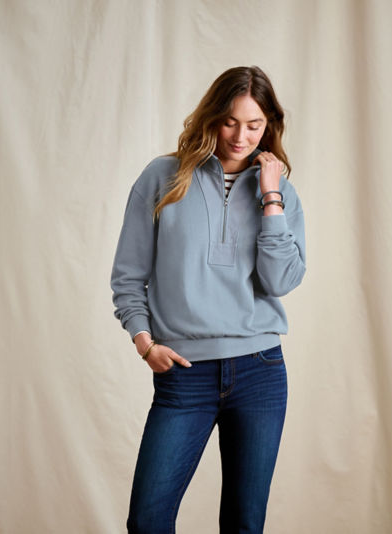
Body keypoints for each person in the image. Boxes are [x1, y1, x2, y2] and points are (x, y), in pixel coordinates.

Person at [111, 65, 306, 534]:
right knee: (148, 520)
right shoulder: (163, 177)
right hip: (185, 373)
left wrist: (271, 197)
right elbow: (127, 275)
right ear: (211, 117)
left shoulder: (280, 191)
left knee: (244, 524)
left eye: (254, 124)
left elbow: (281, 280)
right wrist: (143, 341)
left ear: (269, 125)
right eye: (231, 121)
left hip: (259, 371)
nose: (241, 136)